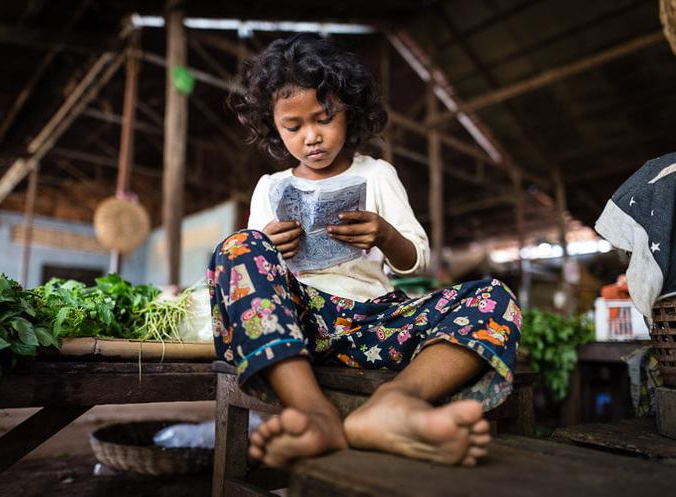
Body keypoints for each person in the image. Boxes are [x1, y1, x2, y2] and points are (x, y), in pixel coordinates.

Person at [207, 34, 521, 468]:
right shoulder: (270, 187)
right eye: (293, 127)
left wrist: (385, 235)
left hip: (377, 323)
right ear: (274, 127)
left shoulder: (376, 174)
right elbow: (255, 280)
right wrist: (269, 246)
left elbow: (417, 260)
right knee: (239, 246)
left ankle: (394, 403)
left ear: (349, 111)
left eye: (324, 118)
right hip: (300, 325)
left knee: (493, 297)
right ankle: (312, 413)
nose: (311, 137)